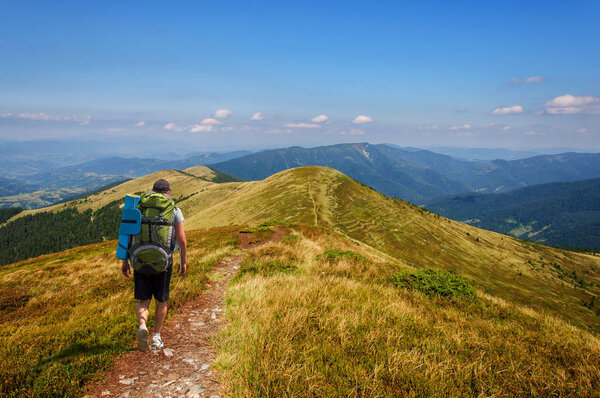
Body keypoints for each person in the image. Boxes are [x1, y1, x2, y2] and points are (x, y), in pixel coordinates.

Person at [121, 178, 187, 351]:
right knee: (161, 301)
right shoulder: (174, 210)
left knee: (143, 300)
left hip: (139, 260)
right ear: (168, 192)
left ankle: (142, 325)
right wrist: (183, 261)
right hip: (163, 262)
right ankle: (156, 337)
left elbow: (126, 234)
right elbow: (182, 240)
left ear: (152, 191)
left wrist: (125, 261)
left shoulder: (138, 207)